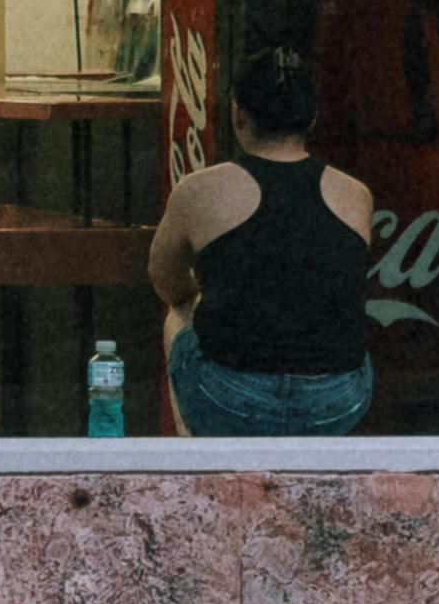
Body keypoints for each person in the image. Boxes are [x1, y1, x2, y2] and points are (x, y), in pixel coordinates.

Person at [145, 43, 383, 437]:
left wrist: (205, 296)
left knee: (179, 314)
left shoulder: (199, 190)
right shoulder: (355, 194)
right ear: (313, 118)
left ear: (238, 114)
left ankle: (200, 459)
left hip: (227, 400)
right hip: (337, 402)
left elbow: (166, 280)